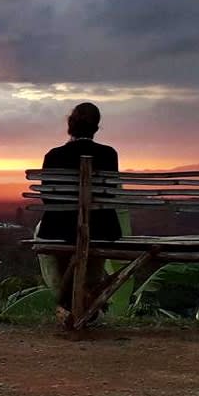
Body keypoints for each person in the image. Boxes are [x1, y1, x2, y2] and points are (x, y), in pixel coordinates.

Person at [35, 102, 121, 319]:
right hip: (101, 230)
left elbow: (48, 198)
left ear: (70, 124)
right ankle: (87, 301)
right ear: (96, 127)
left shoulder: (54, 156)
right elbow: (109, 195)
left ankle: (67, 301)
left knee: (46, 235)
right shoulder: (109, 154)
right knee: (91, 248)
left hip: (60, 230)